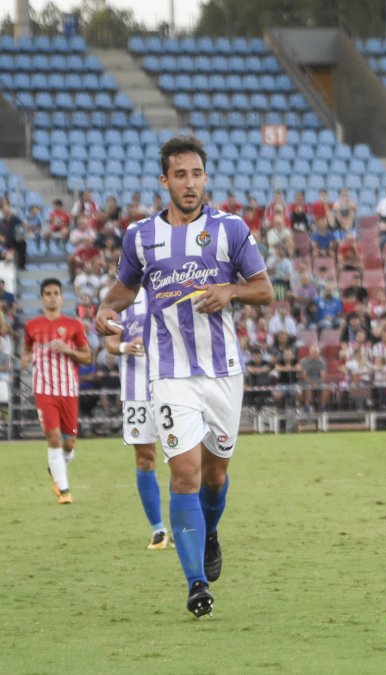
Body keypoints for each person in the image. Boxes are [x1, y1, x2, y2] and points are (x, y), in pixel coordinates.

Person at [95, 135, 272, 619]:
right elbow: (121, 292)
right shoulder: (140, 236)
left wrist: (230, 291)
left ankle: (209, 532)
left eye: (196, 174)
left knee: (216, 474)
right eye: (180, 175)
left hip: (222, 373)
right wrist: (105, 310)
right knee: (186, 474)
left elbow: (264, 290)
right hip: (169, 375)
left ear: (205, 177)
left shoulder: (231, 230)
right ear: (165, 181)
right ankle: (196, 583)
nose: (189, 183)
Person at [102, 288, 169, 548]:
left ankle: (183, 525)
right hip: (136, 391)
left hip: (171, 385)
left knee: (181, 457)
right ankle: (158, 529)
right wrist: (123, 346)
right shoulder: (121, 300)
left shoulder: (168, 286)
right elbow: (109, 342)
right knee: (145, 458)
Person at [22, 278, 92, 505]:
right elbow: (26, 349)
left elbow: (87, 357)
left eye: (55, 293)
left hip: (68, 389)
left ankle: (57, 466)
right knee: (52, 436)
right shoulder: (31, 326)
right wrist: (25, 359)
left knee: (69, 442)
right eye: (48, 293)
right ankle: (64, 490)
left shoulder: (73, 326)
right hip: (44, 390)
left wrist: (67, 350)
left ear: (62, 297)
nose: (52, 297)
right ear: (42, 298)